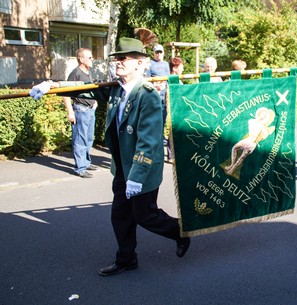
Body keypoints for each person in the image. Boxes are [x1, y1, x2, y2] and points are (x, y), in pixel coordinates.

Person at [29, 37, 190, 276]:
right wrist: (51, 85)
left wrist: (136, 177)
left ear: (140, 63)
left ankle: (180, 233)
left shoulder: (148, 96)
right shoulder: (116, 90)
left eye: (124, 58)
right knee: (121, 215)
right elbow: (84, 89)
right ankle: (126, 259)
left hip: (142, 168)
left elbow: (148, 142)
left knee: (145, 215)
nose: (118, 62)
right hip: (123, 168)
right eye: (116, 58)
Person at [62, 48, 98, 178]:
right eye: (90, 57)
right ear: (81, 59)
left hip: (90, 110)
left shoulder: (87, 72)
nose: (92, 59)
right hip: (80, 110)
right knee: (80, 139)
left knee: (89, 138)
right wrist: (70, 112)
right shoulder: (75, 73)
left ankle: (86, 162)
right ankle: (80, 167)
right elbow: (65, 93)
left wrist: (95, 102)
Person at [146, 44, 170, 126]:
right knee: (153, 115)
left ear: (163, 53)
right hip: (153, 94)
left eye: (160, 52)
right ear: (154, 53)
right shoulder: (150, 64)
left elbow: (168, 78)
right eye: (157, 52)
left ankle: (161, 135)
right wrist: (155, 86)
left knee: (164, 114)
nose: (158, 54)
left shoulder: (166, 64)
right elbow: (147, 79)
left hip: (164, 94)